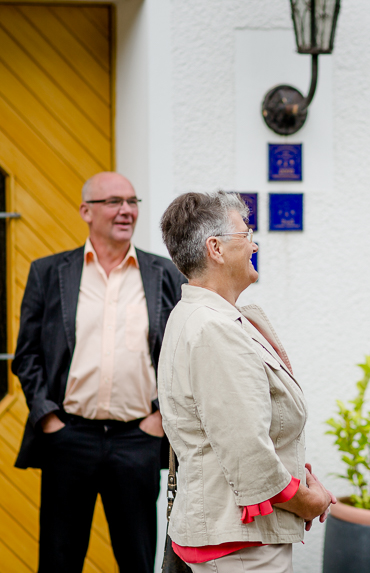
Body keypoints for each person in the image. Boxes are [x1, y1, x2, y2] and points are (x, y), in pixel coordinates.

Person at [12, 172, 186, 573]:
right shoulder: (49, 272)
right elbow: (27, 355)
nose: (126, 210)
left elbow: (180, 356)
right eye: (113, 201)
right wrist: (48, 418)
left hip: (137, 439)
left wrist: (159, 419)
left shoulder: (164, 274)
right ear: (85, 211)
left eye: (132, 201)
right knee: (59, 560)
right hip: (68, 438)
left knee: (138, 559)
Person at [158, 191, 334, 572]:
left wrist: (297, 471)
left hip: (233, 538)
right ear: (216, 248)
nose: (254, 243)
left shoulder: (201, 316)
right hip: (238, 547)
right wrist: (310, 501)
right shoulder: (214, 328)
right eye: (246, 232)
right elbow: (247, 452)